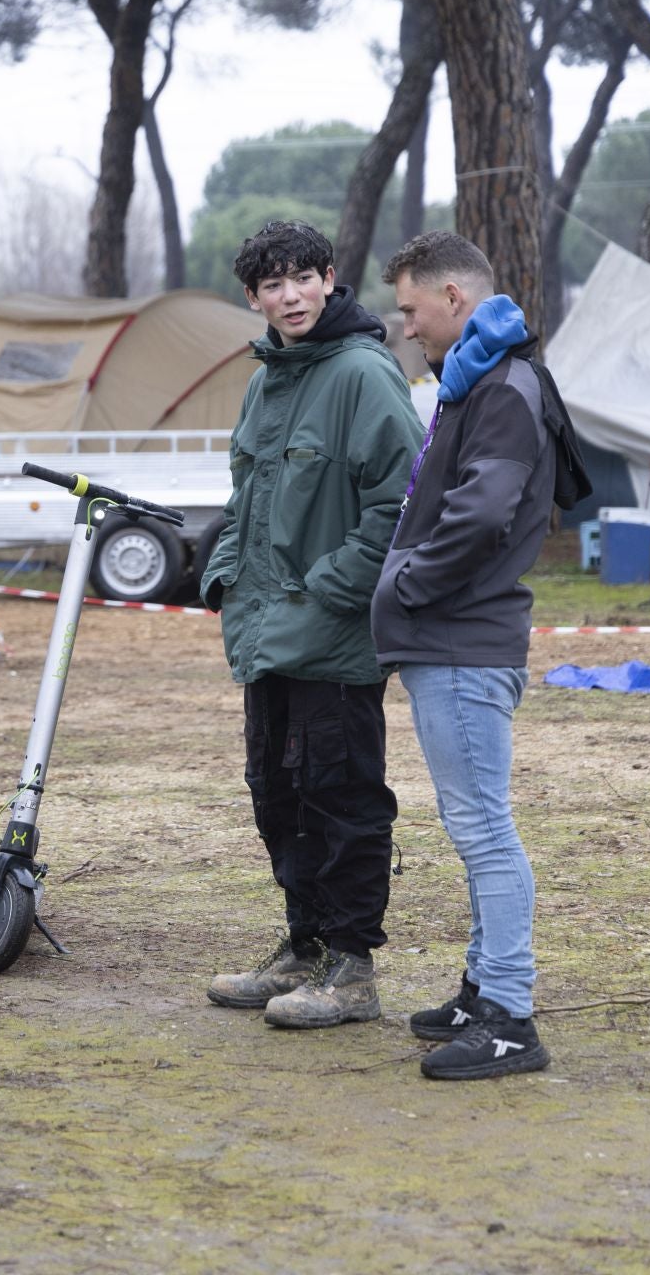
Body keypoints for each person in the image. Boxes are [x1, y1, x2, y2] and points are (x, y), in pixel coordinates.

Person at [376, 231, 591, 1080]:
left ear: (454, 299)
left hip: (463, 639)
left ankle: (509, 1018)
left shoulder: (502, 386)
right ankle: (480, 990)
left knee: (484, 831)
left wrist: (405, 587)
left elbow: (483, 513)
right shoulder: (480, 379)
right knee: (474, 827)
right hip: (453, 638)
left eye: (410, 308)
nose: (405, 326)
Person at [199, 220, 424, 1030]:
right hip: (265, 636)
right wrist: (224, 573)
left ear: (329, 279)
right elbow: (245, 498)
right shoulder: (266, 380)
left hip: (332, 637)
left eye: (302, 278)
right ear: (254, 297)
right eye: (271, 285)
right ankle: (302, 946)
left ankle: (352, 968)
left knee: (343, 797)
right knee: (276, 793)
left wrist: (327, 590)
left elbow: (400, 510)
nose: (288, 296)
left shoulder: (364, 375)